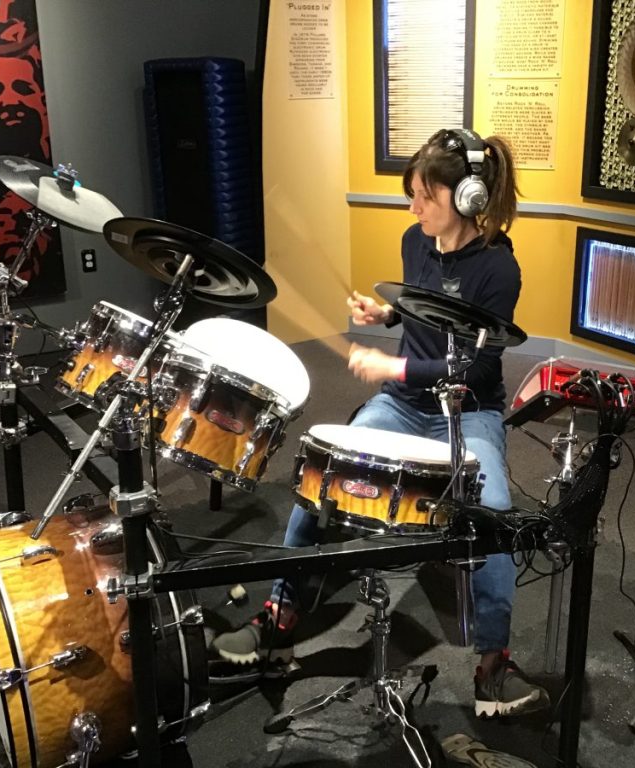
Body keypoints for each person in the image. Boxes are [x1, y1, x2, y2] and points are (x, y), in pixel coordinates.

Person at [213, 128, 550, 718]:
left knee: (493, 515)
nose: (413, 206)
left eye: (425, 195)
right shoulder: (414, 240)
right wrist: (388, 312)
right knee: (322, 476)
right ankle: (280, 614)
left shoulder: (500, 269)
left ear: (467, 198)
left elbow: (475, 362)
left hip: (469, 410)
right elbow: (426, 307)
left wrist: (393, 363)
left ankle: (493, 665)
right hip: (403, 404)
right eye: (413, 194)